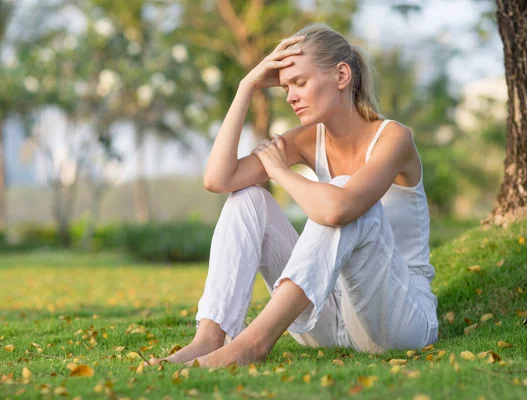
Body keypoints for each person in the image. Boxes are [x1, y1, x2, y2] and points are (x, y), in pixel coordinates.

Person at [147, 22, 438, 368]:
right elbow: (219, 179)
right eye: (285, 87)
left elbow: (337, 210)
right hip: (326, 317)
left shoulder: (394, 139)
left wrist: (280, 173)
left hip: (398, 318)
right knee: (247, 199)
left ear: (342, 75)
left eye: (299, 82)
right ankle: (210, 337)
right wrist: (247, 86)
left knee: (340, 191)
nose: (290, 96)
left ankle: (252, 344)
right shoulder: (305, 139)